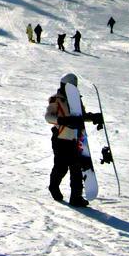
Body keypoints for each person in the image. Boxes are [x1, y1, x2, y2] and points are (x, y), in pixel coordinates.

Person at [45, 72, 103, 206]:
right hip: (60, 138)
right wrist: (64, 120)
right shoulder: (56, 99)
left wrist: (93, 117)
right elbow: (48, 117)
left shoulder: (76, 100)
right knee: (61, 167)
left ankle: (76, 197)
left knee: (76, 168)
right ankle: (53, 186)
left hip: (75, 139)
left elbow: (79, 116)